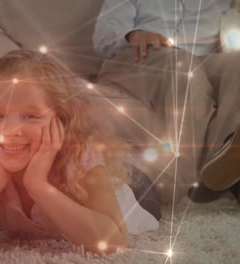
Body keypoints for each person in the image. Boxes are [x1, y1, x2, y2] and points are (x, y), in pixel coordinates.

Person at [0, 50, 159, 254]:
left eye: (31, 116)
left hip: (137, 195)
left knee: (142, 177)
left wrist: (38, 185)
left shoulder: (79, 158)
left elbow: (114, 244)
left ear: (62, 118)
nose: (11, 131)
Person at [92, 0, 240, 203]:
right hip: (138, 56)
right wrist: (134, 34)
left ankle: (216, 169)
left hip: (201, 60)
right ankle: (176, 182)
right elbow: (104, 38)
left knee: (236, 64)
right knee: (183, 65)